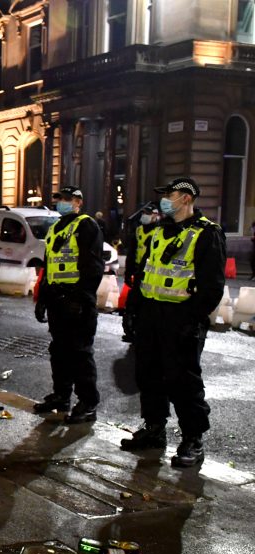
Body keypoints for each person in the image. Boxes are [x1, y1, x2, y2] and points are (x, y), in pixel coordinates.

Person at [121, 178, 226, 468]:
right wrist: (132, 309)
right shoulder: (158, 231)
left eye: (170, 194)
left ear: (187, 199)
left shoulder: (207, 234)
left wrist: (191, 319)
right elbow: (144, 273)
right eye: (164, 194)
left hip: (180, 318)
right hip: (151, 315)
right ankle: (154, 429)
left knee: (183, 380)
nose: (165, 199)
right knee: (149, 375)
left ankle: (193, 439)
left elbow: (212, 287)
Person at [33, 186, 104, 424]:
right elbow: (49, 267)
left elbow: (93, 268)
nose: (60, 203)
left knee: (80, 354)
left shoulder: (86, 225)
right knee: (59, 351)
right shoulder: (55, 229)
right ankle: (61, 396)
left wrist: (80, 299)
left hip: (77, 302)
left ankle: (87, 403)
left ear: (78, 202)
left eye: (66, 199)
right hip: (56, 299)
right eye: (59, 199)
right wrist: (42, 299)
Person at [121, 202, 160, 343]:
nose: (144, 216)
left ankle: (144, 333)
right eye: (144, 213)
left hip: (151, 274)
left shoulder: (159, 232)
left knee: (146, 305)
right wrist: (128, 272)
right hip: (138, 272)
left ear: (155, 215)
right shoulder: (138, 231)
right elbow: (132, 253)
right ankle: (131, 331)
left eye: (148, 214)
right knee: (132, 303)